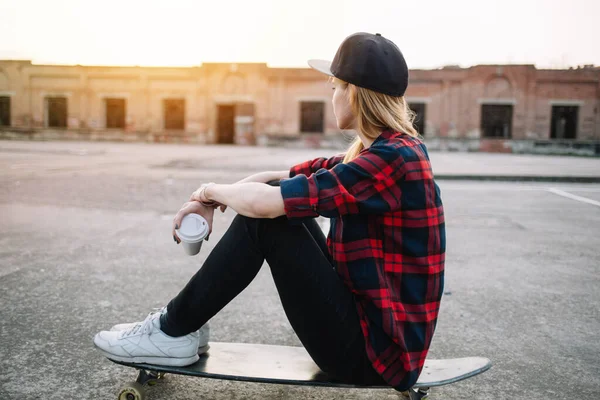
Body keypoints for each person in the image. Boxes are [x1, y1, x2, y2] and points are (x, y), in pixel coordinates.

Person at [94, 32, 445, 393]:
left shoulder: (389, 161)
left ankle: (173, 330)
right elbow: (278, 180)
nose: (332, 94)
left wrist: (210, 190)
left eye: (335, 86)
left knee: (268, 223)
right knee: (279, 201)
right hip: (376, 337)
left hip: (372, 358)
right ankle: (182, 326)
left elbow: (263, 205)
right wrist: (211, 201)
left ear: (353, 93)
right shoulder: (387, 153)